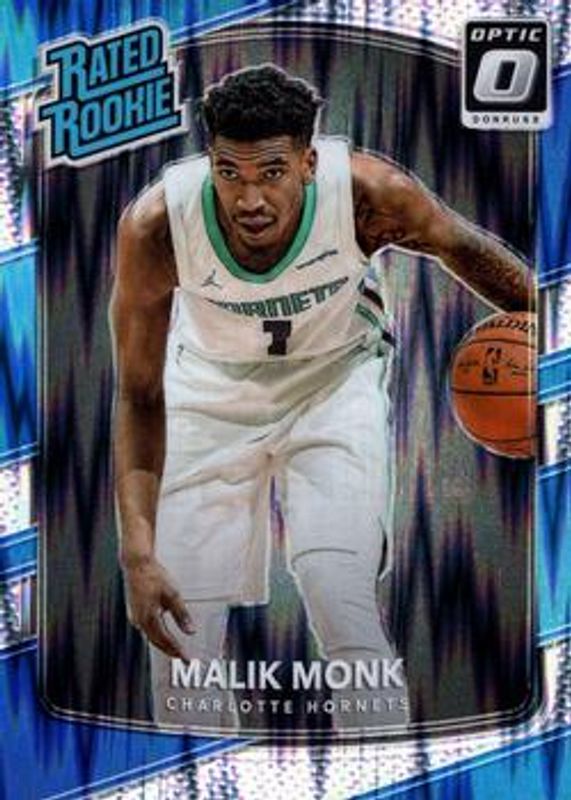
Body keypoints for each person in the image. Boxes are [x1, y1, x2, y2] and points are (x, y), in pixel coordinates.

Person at [110, 64, 534, 733]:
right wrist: (136, 552)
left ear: (308, 164)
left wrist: (554, 334)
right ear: (209, 162)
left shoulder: (370, 195)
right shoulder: (156, 227)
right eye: (229, 172)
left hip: (334, 384)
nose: (249, 198)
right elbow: (138, 396)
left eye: (272, 172)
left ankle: (387, 768)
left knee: (341, 596)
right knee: (180, 642)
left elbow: (466, 249)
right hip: (208, 393)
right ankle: (204, 773)